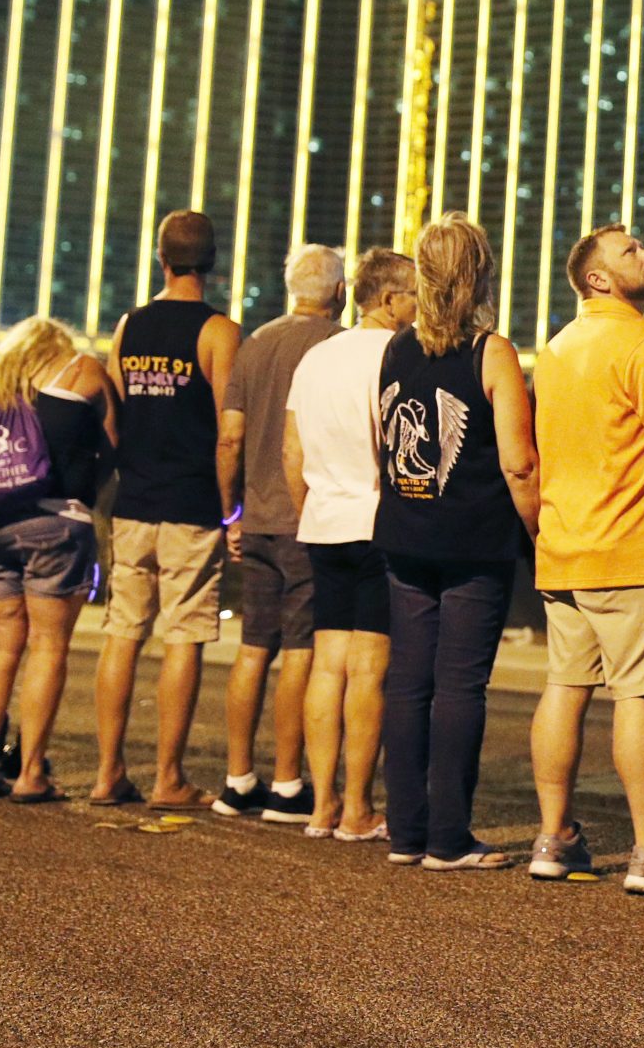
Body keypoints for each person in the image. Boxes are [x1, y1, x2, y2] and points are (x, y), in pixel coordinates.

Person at [527, 223, 644, 894]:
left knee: (563, 688)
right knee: (638, 695)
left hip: (562, 545)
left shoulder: (557, 348)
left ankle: (554, 835)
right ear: (598, 277)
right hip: (628, 548)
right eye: (631, 250)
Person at [373, 215, 535, 870]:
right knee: (461, 686)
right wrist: (540, 535)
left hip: (404, 535)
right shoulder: (489, 350)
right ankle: (449, 837)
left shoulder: (397, 348)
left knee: (408, 683)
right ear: (479, 274)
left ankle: (406, 833)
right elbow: (519, 462)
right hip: (472, 541)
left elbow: (381, 433)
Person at [94, 209, 241, 810]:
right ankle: (168, 777)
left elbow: (113, 410)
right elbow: (229, 433)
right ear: (211, 262)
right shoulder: (219, 332)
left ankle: (107, 774)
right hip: (191, 504)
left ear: (161, 258)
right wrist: (231, 509)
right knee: (183, 636)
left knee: (122, 634)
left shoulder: (129, 325)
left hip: (134, 502)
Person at [0, 316, 113, 803]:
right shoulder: (82, 370)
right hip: (56, 524)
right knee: (47, 645)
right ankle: (31, 772)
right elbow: (113, 445)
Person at [212, 244, 348, 824]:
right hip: (305, 518)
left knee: (250, 649)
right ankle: (289, 784)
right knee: (300, 652)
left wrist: (231, 514)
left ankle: (237, 778)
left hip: (258, 518)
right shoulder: (333, 346)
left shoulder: (256, 342)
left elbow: (231, 437)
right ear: (339, 292)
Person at [284, 247, 417, 840]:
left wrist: (309, 509)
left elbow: (293, 453)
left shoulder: (317, 356)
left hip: (323, 522)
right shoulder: (396, 354)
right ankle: (359, 808)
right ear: (389, 300)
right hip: (377, 522)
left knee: (327, 665)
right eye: (415, 294)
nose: (422, 306)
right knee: (369, 671)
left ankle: (322, 806)